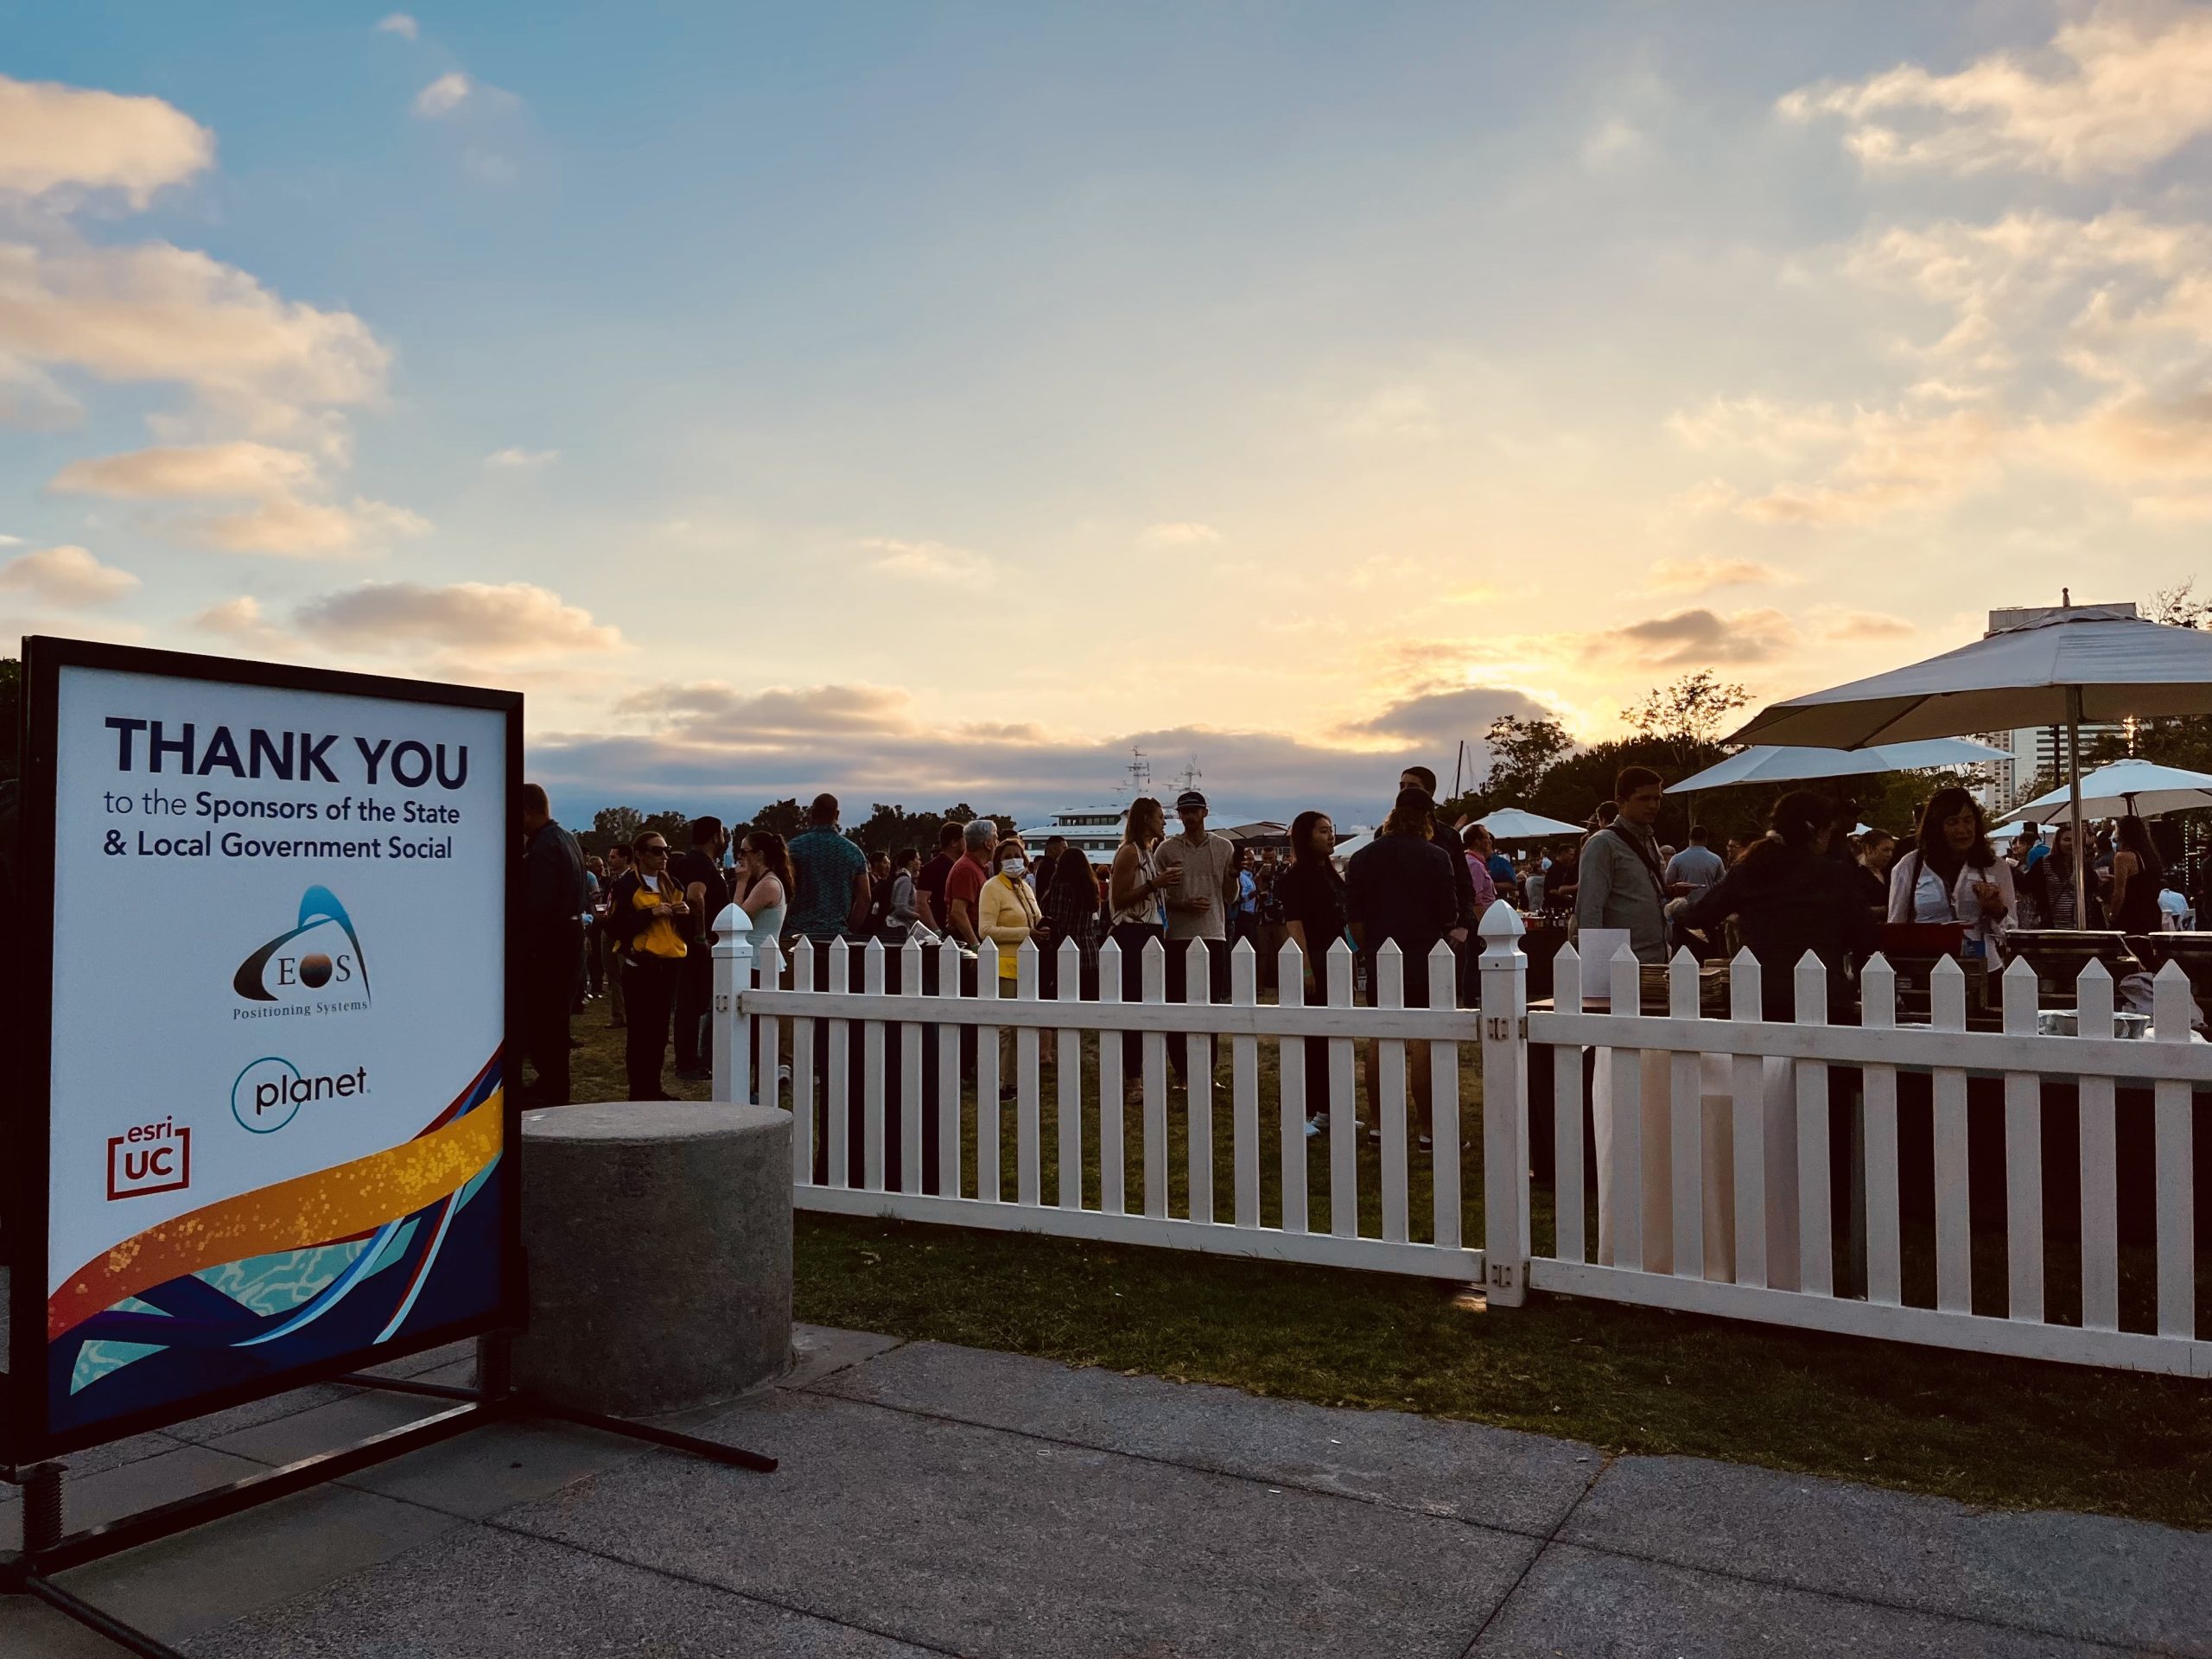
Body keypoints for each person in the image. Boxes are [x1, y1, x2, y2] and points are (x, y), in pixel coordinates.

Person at [1676, 790, 1877, 1020]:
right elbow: (1866, 936)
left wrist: (1716, 949)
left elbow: (1696, 920)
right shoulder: (1835, 875)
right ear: (1817, 831)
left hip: (1757, 997)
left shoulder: (1749, 868)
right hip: (1824, 997)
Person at [1346, 786, 1458, 1149]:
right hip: (1424, 953)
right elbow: (1448, 914)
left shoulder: (1362, 858)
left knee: (1380, 1037)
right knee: (1423, 1039)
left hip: (1381, 952)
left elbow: (1355, 918)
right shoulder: (1437, 856)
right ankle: (1429, 1128)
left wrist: (1369, 948)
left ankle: (1380, 1125)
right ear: (1427, 818)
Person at [1156, 789, 1238, 1082]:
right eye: (1184, 812)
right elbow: (1158, 895)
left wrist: (1232, 876)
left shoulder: (1224, 847)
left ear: (1205, 812)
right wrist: (1182, 904)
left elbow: (1229, 897)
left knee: (1210, 1006)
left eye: (1194, 811)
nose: (1189, 817)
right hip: (1177, 936)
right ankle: (1181, 1070)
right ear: (1179, 815)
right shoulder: (1166, 850)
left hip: (1214, 933)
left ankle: (1207, 1069)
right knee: (1178, 1004)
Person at [606, 828, 690, 1100]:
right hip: (640, 966)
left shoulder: (674, 884)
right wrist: (649, 914)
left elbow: (682, 931)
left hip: (669, 965)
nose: (663, 856)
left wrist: (686, 914)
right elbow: (616, 927)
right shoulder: (626, 885)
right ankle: (638, 1091)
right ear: (639, 855)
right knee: (640, 1033)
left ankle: (653, 1088)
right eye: (656, 851)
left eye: (666, 850)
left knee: (659, 1032)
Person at [1276, 810, 1346, 1135]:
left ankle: (1327, 1109)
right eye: (1322, 831)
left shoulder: (1331, 874)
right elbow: (1295, 924)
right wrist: (1305, 967)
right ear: (1306, 837)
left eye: (1331, 830)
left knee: (1333, 1035)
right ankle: (1303, 1112)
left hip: (1335, 958)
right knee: (1311, 1038)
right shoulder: (1297, 876)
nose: (1330, 836)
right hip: (1313, 958)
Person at [518, 784, 588, 1105]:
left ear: (527, 810)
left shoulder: (543, 846)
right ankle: (554, 1084)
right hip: (571, 937)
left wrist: (527, 946)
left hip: (550, 944)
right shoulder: (567, 839)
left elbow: (539, 904)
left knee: (545, 1018)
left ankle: (551, 1087)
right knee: (556, 1018)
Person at [1887, 785, 2014, 958]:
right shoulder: (1909, 866)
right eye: (1952, 822)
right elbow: (1896, 928)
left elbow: (2012, 930)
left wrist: (1997, 910)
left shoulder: (1996, 866)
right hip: (1928, 968)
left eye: (1968, 820)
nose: (1962, 830)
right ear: (1936, 827)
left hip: (1984, 967)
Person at [1107, 796, 1176, 1078]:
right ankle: (1132, 1074)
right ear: (1146, 819)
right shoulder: (1129, 853)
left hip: (1152, 932)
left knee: (1151, 1002)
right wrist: (1153, 884)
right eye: (1160, 817)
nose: (1164, 822)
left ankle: (1144, 1068)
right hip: (1134, 934)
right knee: (1135, 1004)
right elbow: (1119, 898)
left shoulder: (1149, 851)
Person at [1575, 766, 1671, 967]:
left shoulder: (1649, 840)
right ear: (1621, 802)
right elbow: (1589, 910)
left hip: (1658, 959)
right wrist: (1595, 969)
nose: (1653, 805)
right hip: (1622, 964)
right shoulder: (1603, 843)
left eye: (1657, 798)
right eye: (1644, 799)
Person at [976, 836, 1049, 1090]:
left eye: (1016, 855)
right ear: (997, 861)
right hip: (1004, 966)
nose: (1012, 860)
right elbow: (985, 930)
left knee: (1021, 1027)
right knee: (1004, 1029)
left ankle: (1014, 1081)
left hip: (1027, 966)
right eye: (1006, 856)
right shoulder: (992, 887)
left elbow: (1034, 919)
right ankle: (997, 1083)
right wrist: (1026, 934)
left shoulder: (1026, 888)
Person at [670, 815, 730, 1083]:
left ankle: (689, 1060)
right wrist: (700, 936)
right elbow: (695, 896)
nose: (725, 839)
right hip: (696, 947)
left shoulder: (695, 862)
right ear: (716, 836)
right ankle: (687, 1064)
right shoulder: (699, 863)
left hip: (692, 944)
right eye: (723, 834)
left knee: (690, 1005)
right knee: (690, 1005)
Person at [1400, 766, 1478, 949]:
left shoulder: (1447, 836)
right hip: (1398, 930)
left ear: (1430, 792)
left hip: (1444, 932)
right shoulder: (1384, 836)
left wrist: (1463, 926)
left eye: (1412, 786)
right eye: (1402, 786)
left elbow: (1465, 885)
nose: (1405, 791)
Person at [785, 793, 870, 942]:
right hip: (836, 934)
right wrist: (850, 930)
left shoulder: (794, 848)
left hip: (798, 934)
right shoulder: (853, 851)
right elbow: (865, 897)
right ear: (837, 815)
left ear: (812, 814)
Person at [1043, 844, 1102, 995]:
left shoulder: (1062, 886)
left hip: (1068, 950)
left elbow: (1057, 920)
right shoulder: (1091, 886)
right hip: (1090, 949)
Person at [2019, 823, 2094, 929]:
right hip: (2052, 925)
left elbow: (2094, 889)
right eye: (2067, 839)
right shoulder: (2044, 864)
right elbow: (2025, 886)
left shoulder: (2084, 866)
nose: (2071, 844)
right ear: (2058, 842)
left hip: (2080, 926)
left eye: (2075, 839)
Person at [944, 818, 998, 947]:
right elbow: (958, 912)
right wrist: (975, 945)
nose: (998, 843)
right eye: (995, 839)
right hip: (964, 938)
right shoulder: (967, 869)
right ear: (988, 844)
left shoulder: (974, 867)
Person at [2109, 814, 2165, 935]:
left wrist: (2112, 914)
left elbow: (2119, 892)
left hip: (2131, 914)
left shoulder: (2122, 857)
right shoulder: (2151, 855)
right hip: (2152, 912)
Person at [599, 842, 632, 1027]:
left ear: (625, 858)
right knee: (612, 973)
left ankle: (624, 1013)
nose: (609, 860)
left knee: (622, 973)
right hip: (609, 928)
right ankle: (618, 1014)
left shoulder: (631, 880)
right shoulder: (613, 880)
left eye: (613, 857)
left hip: (621, 932)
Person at [915, 820, 963, 933]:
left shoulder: (961, 868)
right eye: (964, 838)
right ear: (954, 843)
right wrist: (936, 931)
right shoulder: (931, 869)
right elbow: (921, 902)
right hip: (943, 932)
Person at [1664, 825, 1725, 908]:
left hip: (1683, 906)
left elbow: (1668, 882)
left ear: (1689, 838)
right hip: (1708, 906)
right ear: (1705, 839)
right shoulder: (1716, 859)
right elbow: (1722, 884)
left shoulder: (1677, 859)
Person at [887, 846, 924, 935]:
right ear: (911, 863)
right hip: (899, 927)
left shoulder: (901, 878)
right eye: (918, 859)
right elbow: (900, 908)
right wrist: (919, 916)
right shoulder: (905, 880)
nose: (920, 862)